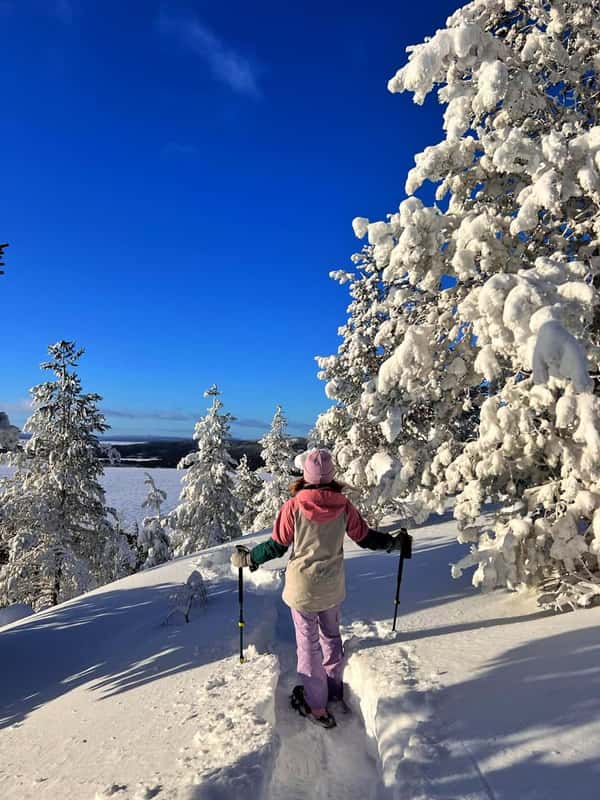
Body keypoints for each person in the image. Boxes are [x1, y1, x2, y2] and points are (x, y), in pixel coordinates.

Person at [231, 448, 410, 729]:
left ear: (306, 475)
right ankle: (335, 690)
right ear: (331, 476)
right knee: (330, 637)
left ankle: (316, 704)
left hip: (302, 589)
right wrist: (394, 543)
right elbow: (365, 538)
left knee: (308, 645)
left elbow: (277, 546)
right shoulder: (343, 505)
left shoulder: (294, 506)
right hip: (332, 586)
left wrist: (248, 558)